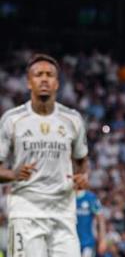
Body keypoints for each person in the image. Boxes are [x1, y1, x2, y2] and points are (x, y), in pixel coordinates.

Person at [0, 53, 89, 257]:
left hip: (63, 213)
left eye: (49, 75)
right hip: (26, 213)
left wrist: (82, 176)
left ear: (57, 83)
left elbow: (82, 160)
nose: (44, 79)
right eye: (38, 74)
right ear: (28, 82)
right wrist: (14, 174)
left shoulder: (72, 119)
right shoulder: (12, 120)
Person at [77, 189, 106, 257]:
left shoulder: (90, 197)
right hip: (70, 241)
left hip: (87, 243)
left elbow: (100, 219)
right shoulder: (68, 197)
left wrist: (102, 240)